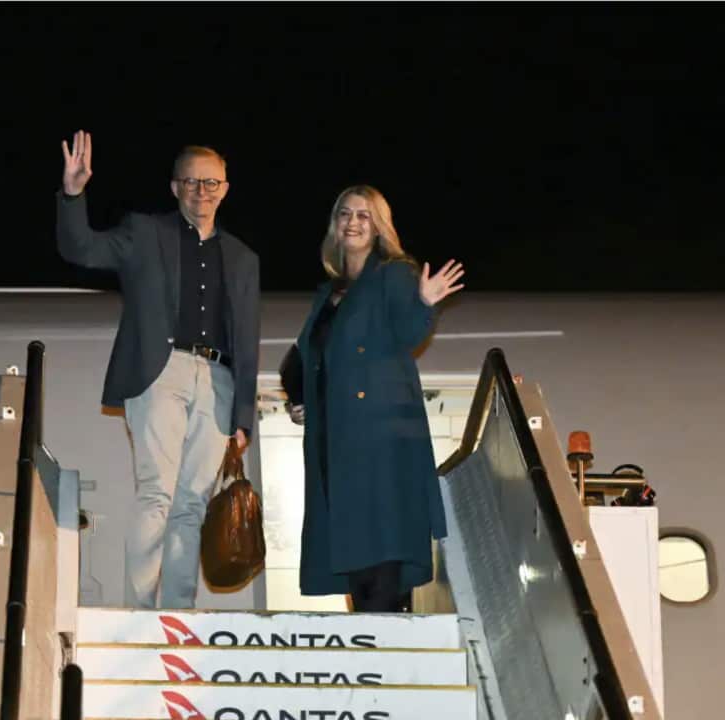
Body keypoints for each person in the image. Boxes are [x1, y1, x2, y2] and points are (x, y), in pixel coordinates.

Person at [54, 130, 261, 609]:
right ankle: (142, 611)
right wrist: (73, 194)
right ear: (175, 188)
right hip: (159, 370)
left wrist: (243, 417)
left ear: (225, 188)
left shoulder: (243, 258)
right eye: (191, 183)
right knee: (157, 495)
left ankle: (179, 614)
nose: (201, 192)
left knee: (192, 504)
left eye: (211, 184)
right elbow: (81, 250)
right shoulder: (144, 232)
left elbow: (247, 339)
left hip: (219, 380)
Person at [284, 185, 464, 612]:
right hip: (336, 437)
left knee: (382, 540)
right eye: (344, 213)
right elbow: (310, 356)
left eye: (364, 215)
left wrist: (423, 303)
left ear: (379, 226)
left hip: (380, 435)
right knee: (353, 546)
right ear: (334, 225)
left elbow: (406, 333)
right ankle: (374, 642)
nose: (352, 221)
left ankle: (385, 636)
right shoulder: (328, 294)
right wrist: (306, 400)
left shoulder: (395, 273)